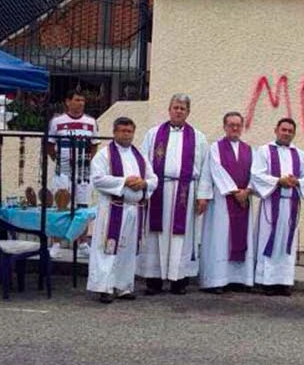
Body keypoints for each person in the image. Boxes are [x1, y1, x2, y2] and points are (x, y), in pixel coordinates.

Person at [137, 94, 209, 295]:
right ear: (169, 109)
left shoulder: (199, 137)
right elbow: (143, 162)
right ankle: (154, 280)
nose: (179, 111)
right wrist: (145, 188)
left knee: (182, 237)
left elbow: (205, 169)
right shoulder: (153, 134)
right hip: (158, 189)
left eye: (183, 108)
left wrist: (203, 195)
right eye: (176, 107)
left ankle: (179, 280)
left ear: (188, 112)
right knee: (155, 234)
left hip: (185, 191)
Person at [88, 117, 157, 304]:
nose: (126, 135)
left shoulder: (140, 155)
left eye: (130, 131)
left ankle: (124, 286)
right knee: (108, 248)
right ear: (115, 132)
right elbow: (98, 179)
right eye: (123, 131)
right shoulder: (104, 155)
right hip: (113, 209)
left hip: (134, 209)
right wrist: (124, 181)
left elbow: (153, 179)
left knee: (128, 250)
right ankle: (105, 287)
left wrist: (143, 183)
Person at [250, 118, 304, 296]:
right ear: (276, 130)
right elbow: (256, 174)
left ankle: (284, 282)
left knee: (287, 242)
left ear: (293, 134)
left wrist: (297, 182)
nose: (286, 133)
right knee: (268, 240)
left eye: (290, 131)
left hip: (290, 205)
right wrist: (278, 180)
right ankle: (267, 282)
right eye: (283, 130)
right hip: (272, 203)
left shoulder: (300, 154)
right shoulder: (264, 151)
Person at [197, 112, 256, 293]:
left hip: (243, 201)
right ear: (224, 126)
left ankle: (238, 279)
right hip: (222, 202)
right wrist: (234, 191)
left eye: (238, 125)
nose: (235, 128)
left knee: (241, 238)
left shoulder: (249, 149)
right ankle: (217, 280)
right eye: (231, 125)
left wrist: (247, 190)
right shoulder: (215, 148)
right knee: (220, 239)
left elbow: (256, 173)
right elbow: (216, 170)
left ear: (242, 127)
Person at [47, 88, 99, 259]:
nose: (80, 103)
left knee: (82, 206)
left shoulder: (91, 122)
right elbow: (50, 144)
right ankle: (56, 243)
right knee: (60, 204)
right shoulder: (57, 121)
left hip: (83, 170)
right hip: (63, 169)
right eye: (77, 100)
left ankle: (83, 243)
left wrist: (85, 160)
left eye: (82, 100)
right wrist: (60, 160)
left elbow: (94, 144)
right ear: (68, 102)